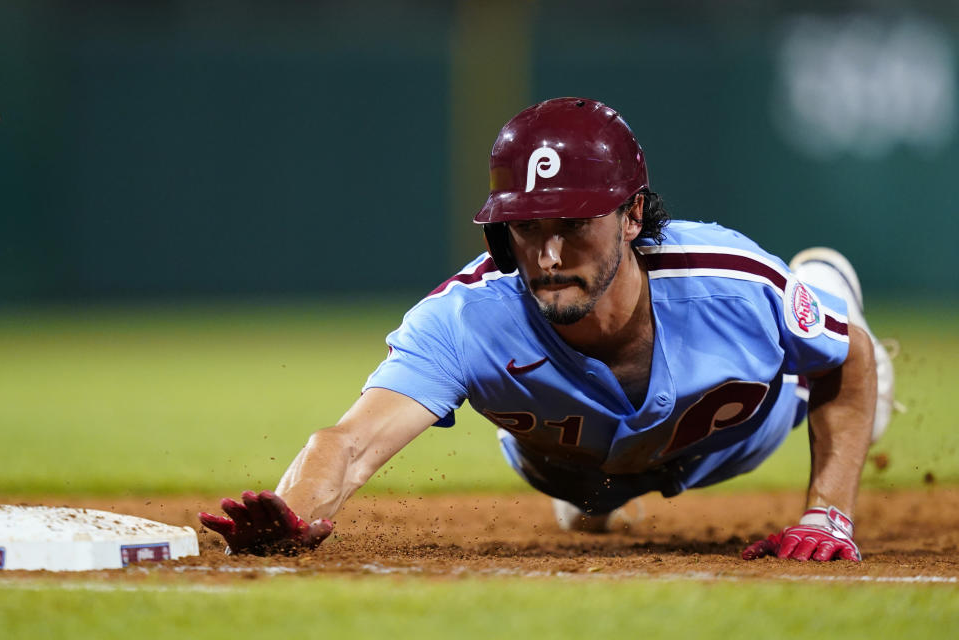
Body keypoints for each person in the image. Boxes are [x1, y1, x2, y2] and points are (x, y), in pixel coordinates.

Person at [199, 97, 894, 562]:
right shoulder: (466, 317)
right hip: (571, 470)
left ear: (631, 216)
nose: (551, 252)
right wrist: (293, 512)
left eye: (575, 223)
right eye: (528, 228)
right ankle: (600, 502)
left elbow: (849, 362)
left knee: (835, 340)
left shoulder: (732, 283)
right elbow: (347, 444)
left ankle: (827, 291)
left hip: (735, 434)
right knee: (587, 498)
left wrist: (825, 513)